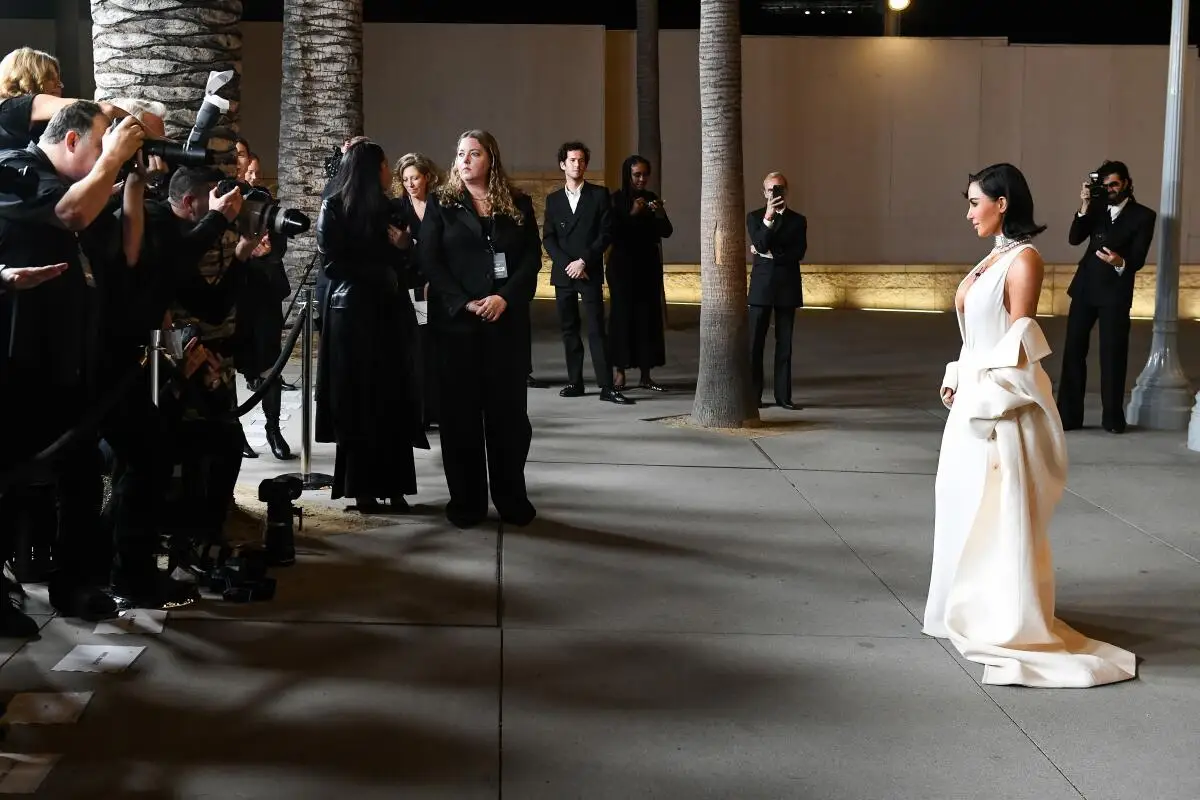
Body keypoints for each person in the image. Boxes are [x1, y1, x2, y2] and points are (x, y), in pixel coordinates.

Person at [923, 163, 1136, 688]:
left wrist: (985, 397)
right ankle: (960, 604)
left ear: (1003, 203)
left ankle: (1002, 617)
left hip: (998, 412)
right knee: (958, 501)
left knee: (995, 510)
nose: (969, 211)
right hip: (970, 401)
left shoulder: (1024, 260)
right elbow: (976, 340)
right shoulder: (992, 255)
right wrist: (956, 375)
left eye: (976, 202)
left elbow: (1017, 348)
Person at [415, 129, 540, 529]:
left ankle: (511, 499)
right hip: (458, 330)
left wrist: (505, 297)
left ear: (491, 159)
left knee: (509, 422)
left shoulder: (517, 204)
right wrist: (464, 301)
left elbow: (531, 260)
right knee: (460, 422)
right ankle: (467, 503)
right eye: (459, 154)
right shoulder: (442, 203)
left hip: (505, 328)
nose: (464, 160)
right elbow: (430, 261)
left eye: (473, 153)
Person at [315, 140, 428, 512]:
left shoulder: (386, 209)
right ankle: (376, 490)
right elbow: (333, 264)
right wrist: (388, 262)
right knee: (371, 400)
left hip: (363, 313)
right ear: (372, 168)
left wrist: (405, 247)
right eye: (384, 164)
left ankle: (374, 490)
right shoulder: (339, 207)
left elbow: (336, 263)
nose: (388, 171)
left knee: (375, 400)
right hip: (368, 312)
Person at [1056, 161, 1156, 434]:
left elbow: (1137, 259)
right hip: (1085, 288)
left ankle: (1112, 418)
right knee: (1073, 352)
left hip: (1115, 293)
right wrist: (1084, 206)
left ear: (1126, 183)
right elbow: (1074, 239)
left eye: (1114, 184)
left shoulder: (1143, 216)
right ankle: (1068, 416)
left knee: (1113, 355)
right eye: (1105, 185)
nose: (1110, 190)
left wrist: (1119, 260)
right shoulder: (1097, 208)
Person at [543, 141, 630, 404]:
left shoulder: (599, 195)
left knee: (596, 329)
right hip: (563, 273)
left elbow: (606, 233)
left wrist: (583, 261)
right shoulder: (553, 199)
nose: (577, 164)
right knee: (569, 329)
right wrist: (567, 265)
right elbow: (548, 238)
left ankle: (606, 387)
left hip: (589, 271)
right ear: (562, 164)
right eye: (572, 160)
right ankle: (575, 382)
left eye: (581, 160)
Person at [607, 155, 672, 392]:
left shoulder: (652, 199)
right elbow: (612, 233)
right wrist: (632, 213)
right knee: (622, 316)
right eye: (637, 175)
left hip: (647, 265)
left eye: (645, 174)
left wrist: (659, 212)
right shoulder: (616, 200)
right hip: (622, 266)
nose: (642, 179)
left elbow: (667, 232)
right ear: (628, 175)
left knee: (648, 317)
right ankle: (620, 372)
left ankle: (646, 374)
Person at [746, 171, 807, 410]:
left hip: (787, 288)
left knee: (785, 346)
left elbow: (798, 253)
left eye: (779, 189)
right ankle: (753, 396)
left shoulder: (798, 220)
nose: (775, 193)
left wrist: (769, 255)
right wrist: (769, 218)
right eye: (770, 190)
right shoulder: (754, 217)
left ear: (786, 191)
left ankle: (783, 397)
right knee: (755, 346)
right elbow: (760, 242)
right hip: (761, 288)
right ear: (764, 192)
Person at [393, 151, 442, 428]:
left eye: (415, 178)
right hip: (412, 287)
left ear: (426, 178)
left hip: (437, 286)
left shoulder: (438, 204)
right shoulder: (398, 208)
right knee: (417, 346)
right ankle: (419, 412)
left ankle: (438, 409)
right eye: (406, 179)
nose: (411, 183)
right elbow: (398, 250)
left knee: (437, 347)